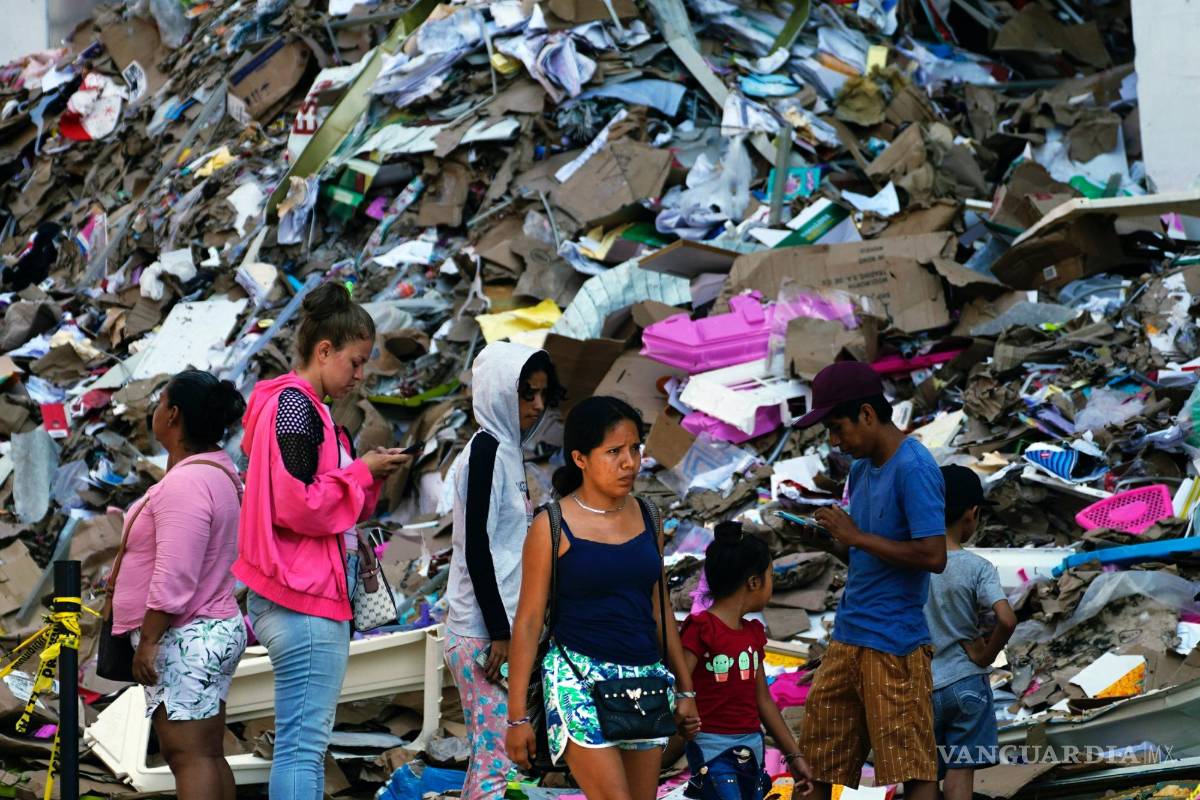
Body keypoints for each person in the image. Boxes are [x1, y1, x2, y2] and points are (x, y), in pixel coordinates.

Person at [233, 282, 412, 800]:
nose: (360, 376)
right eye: (355, 362)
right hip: (302, 597)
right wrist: (361, 471)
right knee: (302, 747)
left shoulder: (295, 408)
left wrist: (367, 474)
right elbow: (299, 505)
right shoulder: (296, 409)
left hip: (294, 593)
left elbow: (318, 499)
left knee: (300, 744)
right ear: (324, 350)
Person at [505, 396, 700, 800]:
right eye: (613, 452)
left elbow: (660, 608)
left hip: (644, 679)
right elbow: (527, 623)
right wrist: (516, 718)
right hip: (578, 678)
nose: (629, 462)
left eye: (634, 448)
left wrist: (685, 689)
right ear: (580, 458)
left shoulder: (649, 516)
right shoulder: (552, 526)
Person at [790, 362, 947, 800]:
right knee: (820, 756)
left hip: (895, 641)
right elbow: (865, 551)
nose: (834, 441)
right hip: (849, 633)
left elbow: (933, 556)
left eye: (837, 428)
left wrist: (855, 535)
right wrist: (830, 541)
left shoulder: (915, 467)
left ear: (866, 414)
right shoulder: (860, 469)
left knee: (912, 766)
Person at [111, 370, 247, 800]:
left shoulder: (185, 484)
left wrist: (148, 641)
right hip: (208, 627)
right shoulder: (217, 471)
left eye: (159, 401)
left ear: (173, 414)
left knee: (188, 755)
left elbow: (176, 572)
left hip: (186, 634)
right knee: (204, 753)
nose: (154, 409)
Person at [444, 342, 565, 799]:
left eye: (541, 395)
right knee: (498, 762)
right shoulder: (487, 453)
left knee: (490, 760)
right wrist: (500, 631)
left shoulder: (509, 451)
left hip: (499, 629)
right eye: (525, 395)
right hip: (482, 634)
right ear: (497, 393)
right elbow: (477, 546)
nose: (536, 407)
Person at [680, 520, 814, 800]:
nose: (772, 586)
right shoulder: (701, 628)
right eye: (771, 577)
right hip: (710, 748)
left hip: (751, 748)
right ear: (754, 582)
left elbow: (763, 701)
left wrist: (794, 755)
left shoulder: (752, 634)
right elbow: (680, 682)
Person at [924, 466, 1016, 800]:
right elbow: (1007, 619)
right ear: (972, 513)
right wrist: (986, 654)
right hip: (966, 684)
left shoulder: (912, 563)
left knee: (923, 776)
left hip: (920, 687)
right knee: (960, 772)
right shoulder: (977, 567)